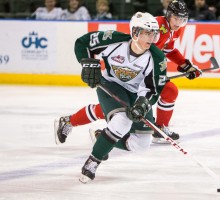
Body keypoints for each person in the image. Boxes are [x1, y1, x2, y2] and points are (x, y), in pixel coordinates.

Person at [54, 0, 200, 144]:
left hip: (141, 72)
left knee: (168, 92)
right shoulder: (158, 26)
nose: (178, 22)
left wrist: (185, 65)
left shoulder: (175, 30)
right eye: (176, 18)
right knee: (118, 108)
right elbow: (141, 48)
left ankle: (159, 128)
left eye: (182, 19)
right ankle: (71, 121)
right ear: (168, 15)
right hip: (130, 71)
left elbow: (167, 50)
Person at [55, 12, 166, 183]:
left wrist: (143, 104)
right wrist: (87, 63)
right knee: (122, 121)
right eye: (147, 33)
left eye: (154, 34)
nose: (151, 38)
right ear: (135, 32)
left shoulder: (157, 58)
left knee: (142, 144)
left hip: (136, 92)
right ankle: (94, 160)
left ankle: (102, 137)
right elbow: (83, 42)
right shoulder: (113, 39)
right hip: (110, 83)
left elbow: (153, 89)